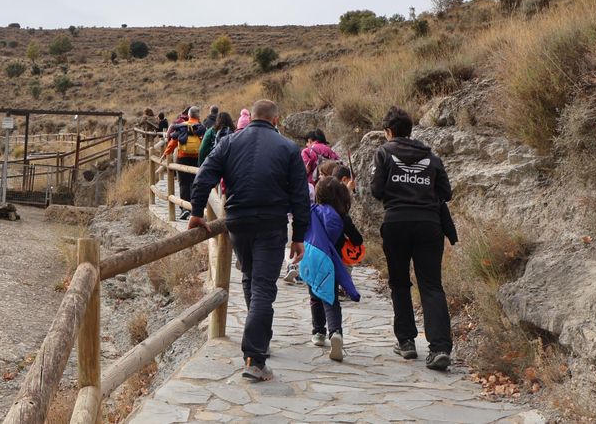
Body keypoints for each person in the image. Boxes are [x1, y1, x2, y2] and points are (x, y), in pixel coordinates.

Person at [188, 99, 310, 381]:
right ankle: (255, 357)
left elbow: (204, 175)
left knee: (251, 278)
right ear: (276, 120)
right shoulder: (289, 148)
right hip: (271, 223)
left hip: (238, 223)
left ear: (251, 117)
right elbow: (301, 197)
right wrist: (300, 235)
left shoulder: (229, 142)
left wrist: (196, 212)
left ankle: (260, 341)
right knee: (264, 288)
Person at [371, 106, 454, 371]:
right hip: (429, 225)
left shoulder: (384, 152)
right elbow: (446, 192)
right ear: (409, 130)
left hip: (396, 222)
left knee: (399, 282)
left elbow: (376, 190)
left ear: (389, 131)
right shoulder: (431, 156)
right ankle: (440, 348)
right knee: (431, 285)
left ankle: (406, 342)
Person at [299, 177, 362, 362]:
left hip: (312, 258)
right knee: (331, 298)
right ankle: (336, 332)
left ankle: (318, 332)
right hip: (332, 262)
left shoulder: (312, 212)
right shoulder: (343, 217)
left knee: (315, 296)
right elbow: (358, 240)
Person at [163, 106, 206, 220]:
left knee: (184, 184)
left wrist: (166, 153)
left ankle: (184, 209)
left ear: (189, 115)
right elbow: (205, 144)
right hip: (196, 158)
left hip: (182, 158)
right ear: (198, 116)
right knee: (194, 183)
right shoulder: (201, 127)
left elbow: (173, 141)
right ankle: (194, 208)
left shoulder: (183, 126)